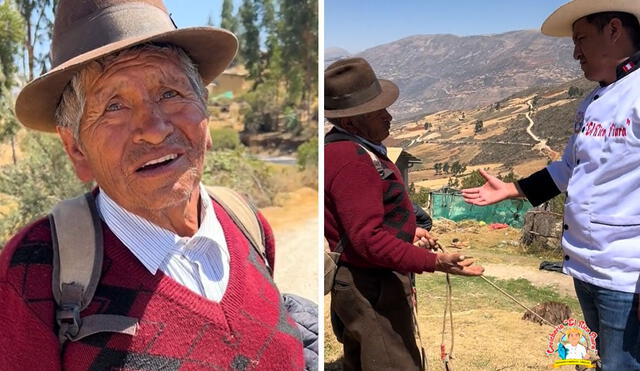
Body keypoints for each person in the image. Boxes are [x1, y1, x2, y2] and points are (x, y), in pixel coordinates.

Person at [0, 0, 307, 369]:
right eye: (114, 106)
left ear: (205, 111)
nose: (155, 128)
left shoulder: (247, 224)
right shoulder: (32, 273)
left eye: (170, 94)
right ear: (76, 148)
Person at [461, 1, 640, 369]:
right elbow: (568, 168)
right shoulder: (593, 100)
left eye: (581, 40)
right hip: (588, 268)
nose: (575, 53)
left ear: (614, 30)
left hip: (627, 277)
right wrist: (512, 189)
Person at [324, 57, 484, 371]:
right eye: (377, 111)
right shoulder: (352, 159)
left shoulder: (348, 148)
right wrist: (435, 262)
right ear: (352, 121)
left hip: (365, 280)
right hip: (369, 286)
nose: (389, 116)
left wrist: (407, 232)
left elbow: (358, 222)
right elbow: (367, 240)